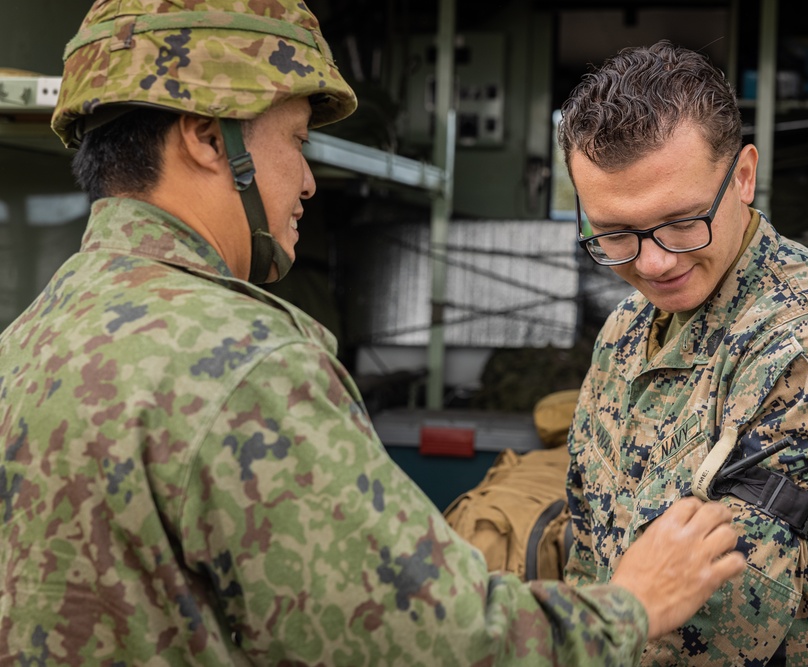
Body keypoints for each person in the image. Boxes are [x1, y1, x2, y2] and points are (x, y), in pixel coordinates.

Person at [0, 4, 746, 665]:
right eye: (294, 140)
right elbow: (436, 643)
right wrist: (632, 605)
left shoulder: (30, 339)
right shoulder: (245, 364)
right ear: (204, 137)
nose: (308, 181)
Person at [559, 41, 808, 666]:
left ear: (745, 176)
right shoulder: (627, 328)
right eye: (615, 232)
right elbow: (590, 550)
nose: (654, 261)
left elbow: (721, 624)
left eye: (682, 221)